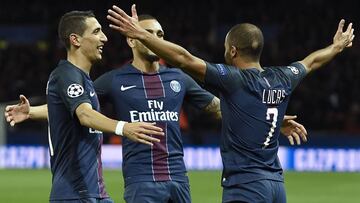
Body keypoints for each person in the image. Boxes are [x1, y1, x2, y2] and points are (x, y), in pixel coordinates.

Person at [5, 11, 307, 203]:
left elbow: (219, 107)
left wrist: (269, 119)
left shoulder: (179, 79)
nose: (157, 39)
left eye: (161, 35)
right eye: (150, 34)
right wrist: (33, 111)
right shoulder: (114, 80)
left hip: (178, 180)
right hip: (140, 183)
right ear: (134, 41)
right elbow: (78, 107)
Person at [106, 4, 354, 203]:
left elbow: (183, 58)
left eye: (225, 48)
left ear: (233, 51)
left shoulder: (233, 79)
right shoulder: (283, 76)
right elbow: (311, 62)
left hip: (245, 187)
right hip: (277, 186)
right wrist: (336, 46)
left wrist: (140, 34)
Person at [5, 10, 165, 203]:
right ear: (76, 40)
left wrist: (31, 112)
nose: (104, 38)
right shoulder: (66, 74)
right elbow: (84, 115)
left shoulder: (83, 80)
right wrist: (124, 127)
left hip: (94, 193)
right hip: (74, 194)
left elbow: (66, 109)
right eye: (97, 31)